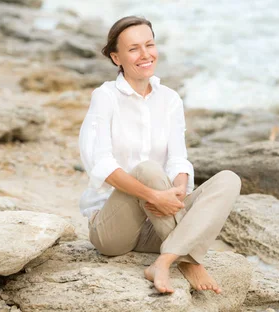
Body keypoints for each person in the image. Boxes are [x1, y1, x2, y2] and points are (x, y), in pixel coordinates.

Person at [78, 16, 241, 294]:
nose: (145, 55)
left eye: (149, 45)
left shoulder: (170, 99)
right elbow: (101, 165)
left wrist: (176, 190)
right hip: (113, 229)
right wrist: (152, 195)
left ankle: (166, 258)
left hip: (157, 223)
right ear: (116, 58)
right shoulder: (105, 97)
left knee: (229, 179)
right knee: (149, 169)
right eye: (133, 49)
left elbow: (178, 159)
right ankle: (189, 262)